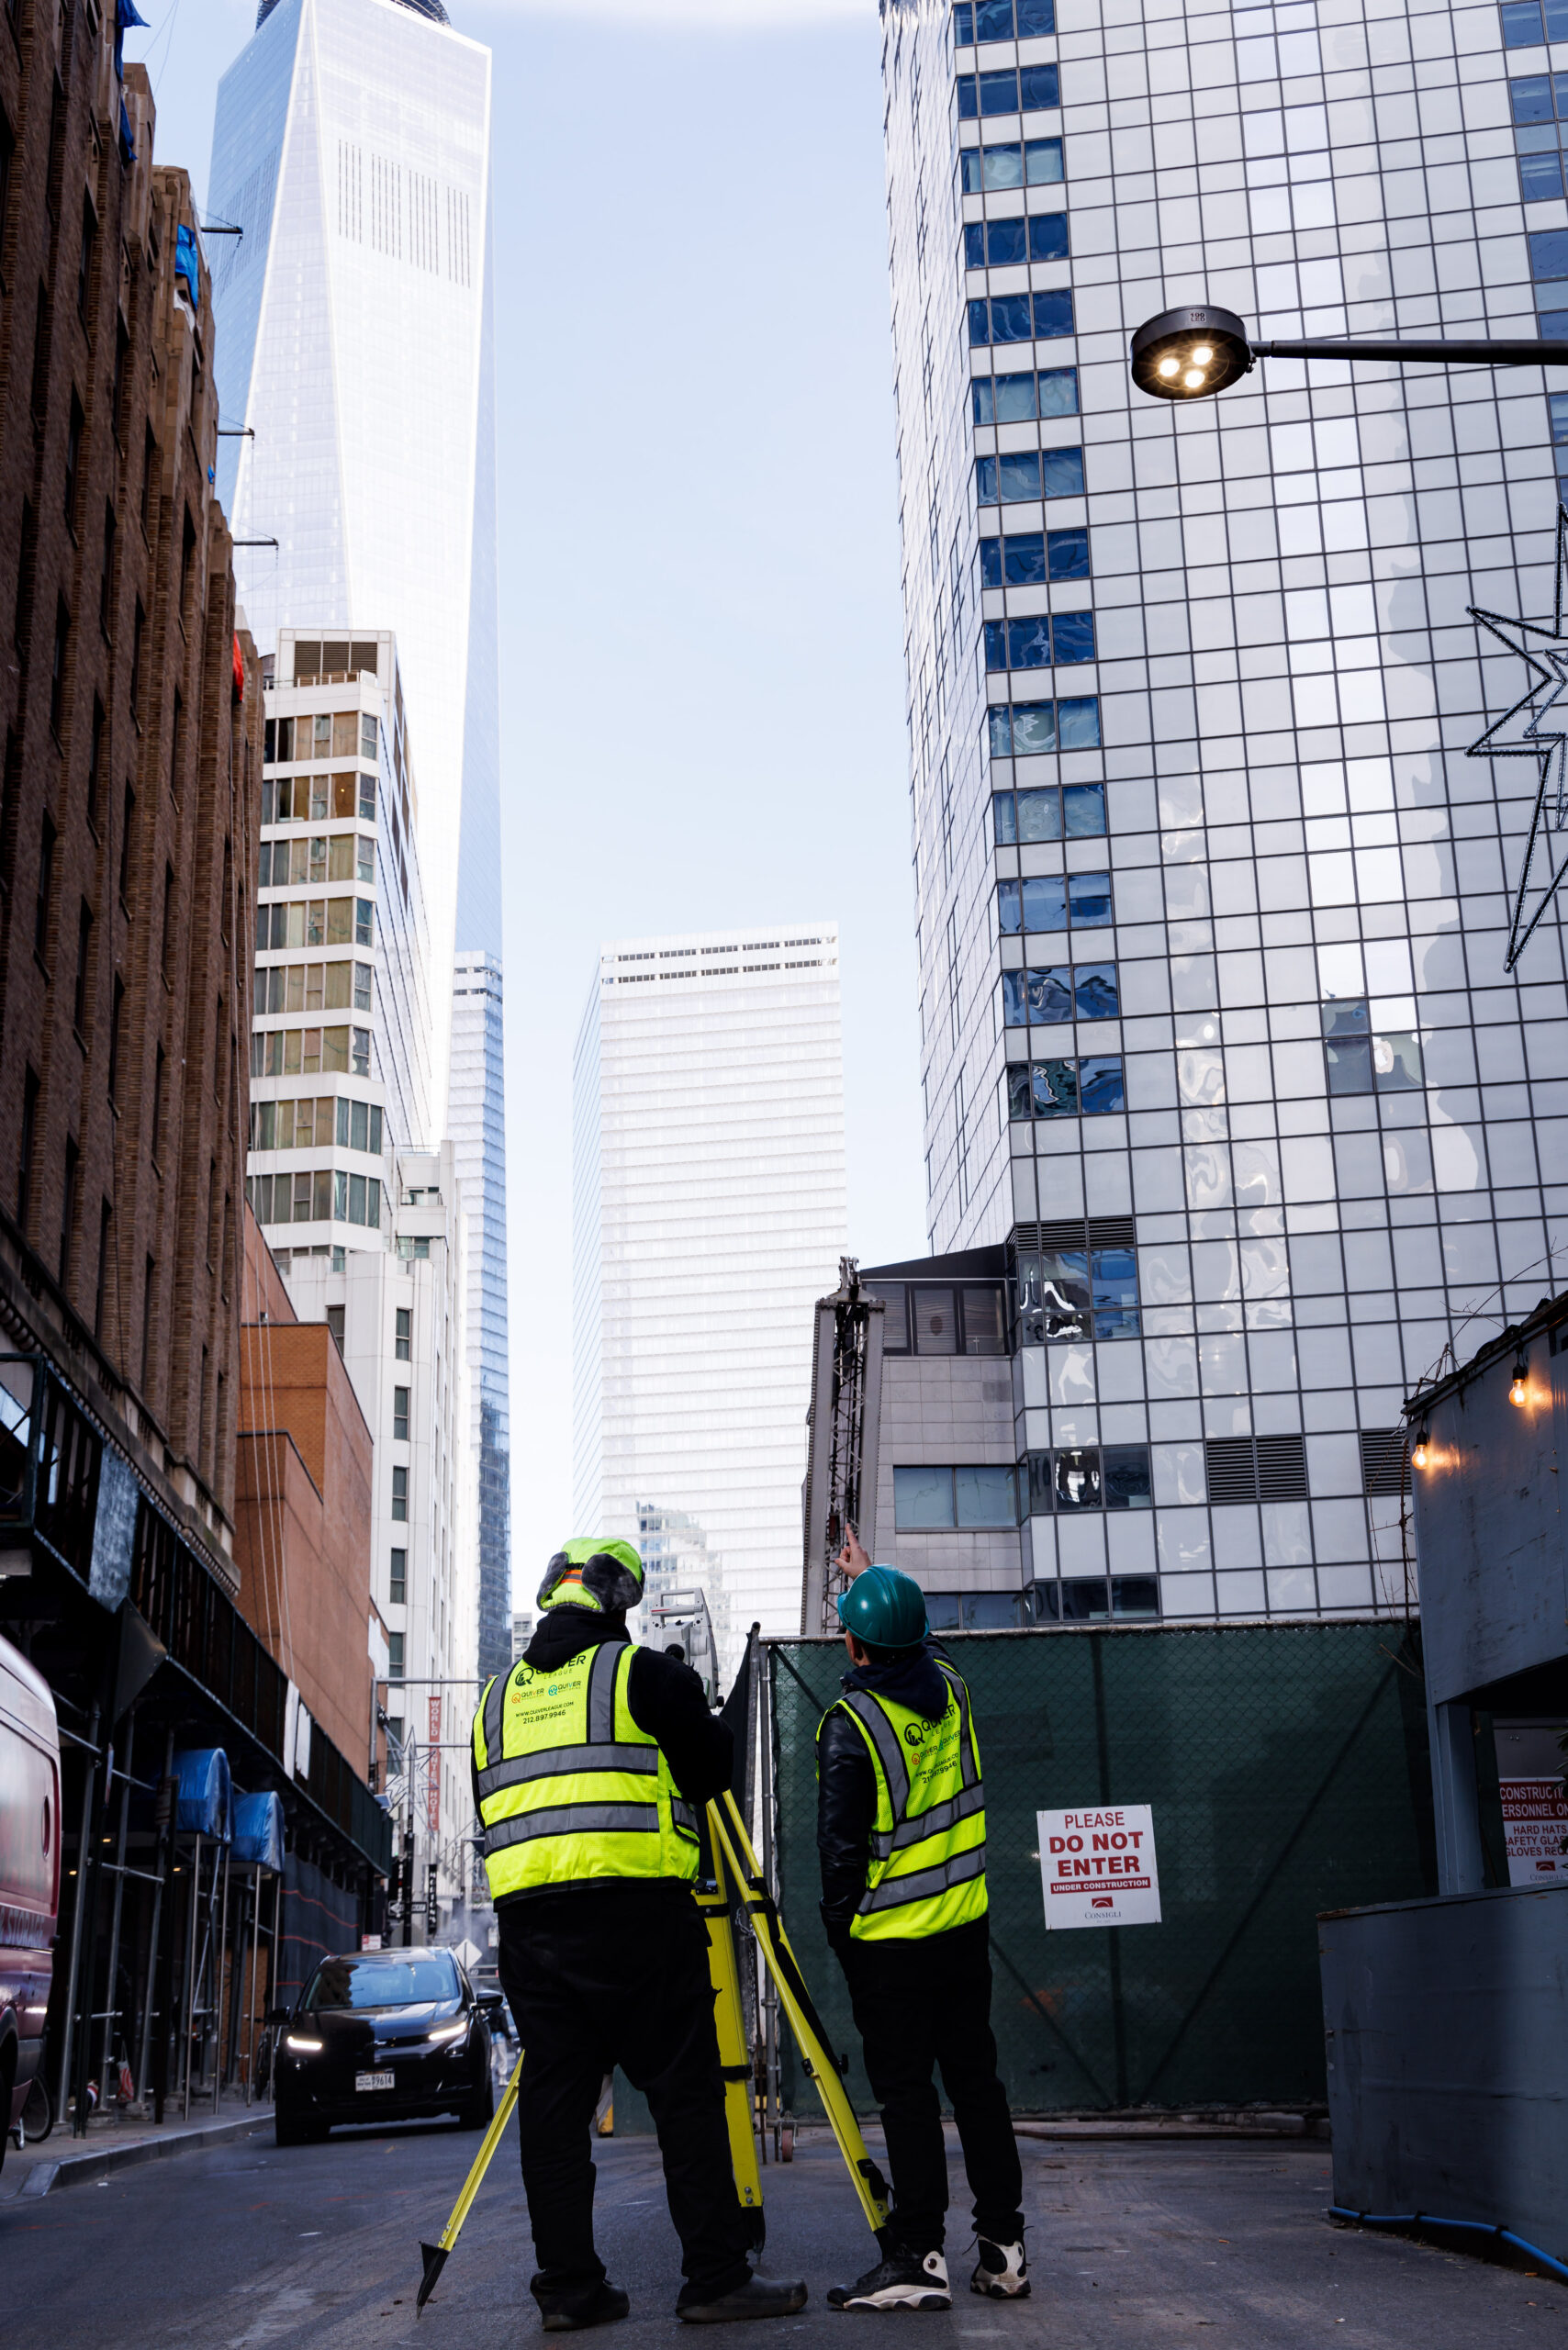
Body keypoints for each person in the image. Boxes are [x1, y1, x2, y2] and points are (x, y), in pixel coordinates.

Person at [473, 1538, 808, 2331]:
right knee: (686, 2098)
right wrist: (687, 1697)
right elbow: (709, 1771)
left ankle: (568, 2289)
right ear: (616, 1600)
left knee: (554, 2113)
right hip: (636, 1923)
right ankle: (716, 2276)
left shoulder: (493, 1701)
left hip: (529, 1934)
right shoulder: (641, 1675)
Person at [817, 1536, 1027, 2312]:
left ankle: (916, 2255)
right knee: (977, 2087)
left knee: (907, 2098)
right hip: (963, 1936)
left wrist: (846, 1942)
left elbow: (838, 1861)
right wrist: (871, 1576)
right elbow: (920, 1640)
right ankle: (1004, 2251)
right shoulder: (953, 1687)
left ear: (853, 1642)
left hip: (891, 1949)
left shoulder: (850, 1725)